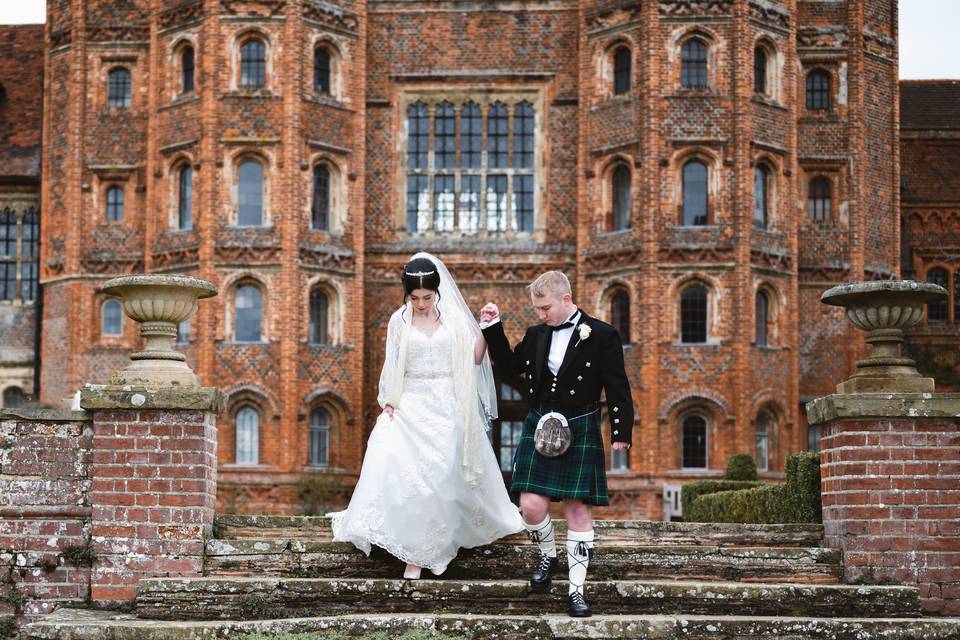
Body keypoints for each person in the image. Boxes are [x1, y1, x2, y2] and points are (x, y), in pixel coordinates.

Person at [329, 253, 524, 579]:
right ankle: (415, 554)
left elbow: (474, 361)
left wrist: (486, 327)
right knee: (402, 469)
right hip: (411, 403)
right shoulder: (399, 321)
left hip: (448, 405)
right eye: (414, 298)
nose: (420, 304)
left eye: (427, 297)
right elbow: (392, 365)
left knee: (441, 476)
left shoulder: (454, 320)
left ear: (437, 293)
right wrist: (389, 401)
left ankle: (433, 547)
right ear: (407, 294)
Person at [479, 271, 634, 617]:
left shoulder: (602, 335)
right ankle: (547, 554)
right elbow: (508, 366)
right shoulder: (536, 335)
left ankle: (577, 591)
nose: (540, 314)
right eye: (537, 308)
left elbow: (618, 386)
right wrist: (493, 328)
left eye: (545, 307)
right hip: (541, 425)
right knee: (531, 505)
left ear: (566, 299)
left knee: (578, 511)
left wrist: (621, 432)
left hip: (579, 425)